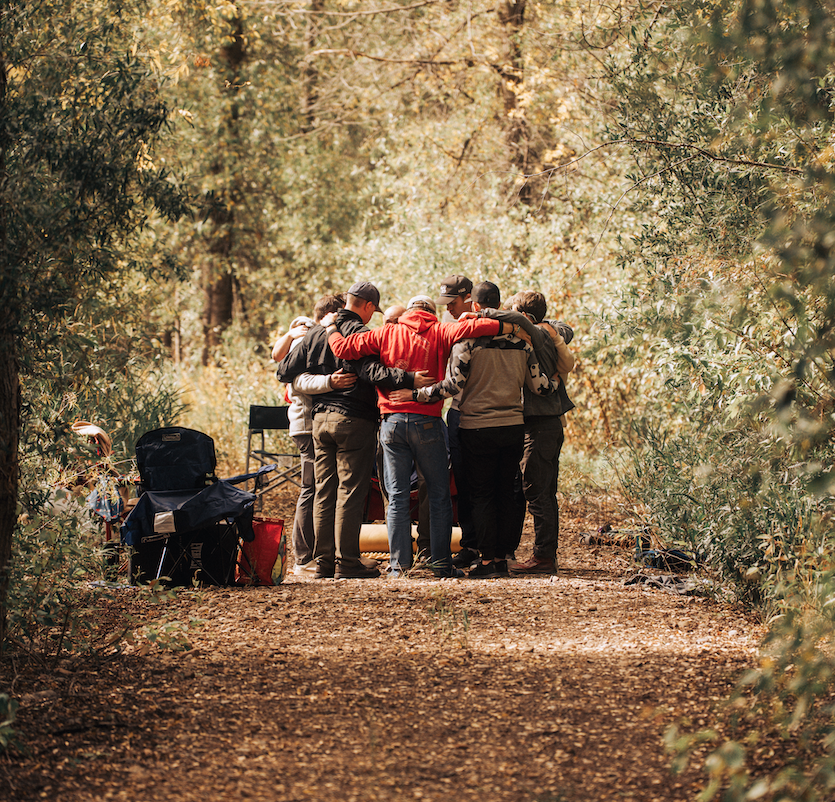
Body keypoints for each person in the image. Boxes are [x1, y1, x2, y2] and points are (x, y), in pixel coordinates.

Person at [326, 294, 515, 577]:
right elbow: (482, 328)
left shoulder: (385, 332)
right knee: (438, 494)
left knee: (397, 496)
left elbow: (342, 348)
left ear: (409, 311)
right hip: (427, 421)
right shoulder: (441, 330)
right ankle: (440, 563)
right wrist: (510, 328)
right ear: (431, 312)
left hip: (391, 422)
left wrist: (330, 327)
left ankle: (398, 566)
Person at [403, 282, 560, 578]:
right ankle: (503, 556)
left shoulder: (468, 344)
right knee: (506, 492)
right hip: (513, 426)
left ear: (476, 308)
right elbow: (540, 386)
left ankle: (486, 561)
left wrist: (417, 395)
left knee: (481, 493)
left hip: (477, 427)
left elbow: (452, 386)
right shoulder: (522, 344)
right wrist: (556, 382)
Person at [276, 282, 431, 580]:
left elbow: (284, 371)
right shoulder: (360, 335)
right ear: (369, 307)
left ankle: (322, 563)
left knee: (323, 490)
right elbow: (371, 372)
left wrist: (322, 381)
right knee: (350, 490)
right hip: (354, 420)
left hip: (319, 422)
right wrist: (409, 379)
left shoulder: (316, 333)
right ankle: (346, 561)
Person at [271, 297, 356, 575]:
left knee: (317, 487)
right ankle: (304, 557)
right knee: (312, 488)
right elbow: (294, 380)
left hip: (311, 423)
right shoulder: (306, 338)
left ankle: (320, 553)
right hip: (308, 423)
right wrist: (332, 382)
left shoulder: (310, 336)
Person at [506, 290, 575, 574]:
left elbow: (562, 329)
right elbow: (563, 329)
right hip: (548, 423)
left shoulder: (537, 335)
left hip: (540, 423)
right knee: (544, 490)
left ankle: (543, 557)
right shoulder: (547, 332)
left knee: (536, 489)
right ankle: (544, 554)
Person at [434, 275, 479, 569]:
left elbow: (454, 382)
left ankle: (479, 545)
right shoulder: (457, 328)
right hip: (460, 411)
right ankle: (473, 544)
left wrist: (419, 392)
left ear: (467, 298)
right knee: (463, 483)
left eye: (453, 302)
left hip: (466, 411)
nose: (448, 308)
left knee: (473, 483)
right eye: (445, 303)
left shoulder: (474, 329)